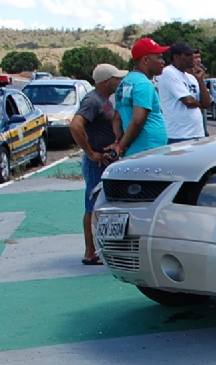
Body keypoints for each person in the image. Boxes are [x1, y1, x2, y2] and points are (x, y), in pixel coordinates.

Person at [69, 63, 126, 265]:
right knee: (93, 206)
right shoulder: (92, 100)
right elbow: (76, 125)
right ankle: (90, 252)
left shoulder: (104, 100)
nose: (119, 81)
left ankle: (99, 248)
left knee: (101, 205)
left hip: (106, 160)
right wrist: (91, 152)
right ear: (105, 82)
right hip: (97, 163)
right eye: (116, 78)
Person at [114, 37, 169, 157]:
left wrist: (119, 140)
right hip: (149, 151)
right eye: (159, 57)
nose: (163, 62)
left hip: (135, 151)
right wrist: (121, 146)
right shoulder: (143, 84)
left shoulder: (124, 83)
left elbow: (117, 118)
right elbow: (138, 121)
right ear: (145, 60)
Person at [158, 41, 210, 144]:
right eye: (187, 55)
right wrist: (200, 104)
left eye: (191, 55)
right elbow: (188, 101)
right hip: (178, 135)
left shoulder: (191, 77)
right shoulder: (168, 72)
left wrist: (200, 80)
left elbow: (207, 104)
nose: (191, 58)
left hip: (197, 133)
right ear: (176, 57)